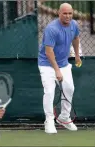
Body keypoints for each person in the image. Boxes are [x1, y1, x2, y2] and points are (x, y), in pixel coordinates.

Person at [38, 3, 82, 134]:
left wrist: (77, 56)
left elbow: (76, 39)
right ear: (59, 13)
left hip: (64, 64)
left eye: (70, 13)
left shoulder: (74, 25)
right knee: (49, 92)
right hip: (47, 64)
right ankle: (49, 120)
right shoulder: (51, 29)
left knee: (69, 88)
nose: (68, 16)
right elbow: (48, 52)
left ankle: (63, 118)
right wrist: (56, 70)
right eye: (65, 13)